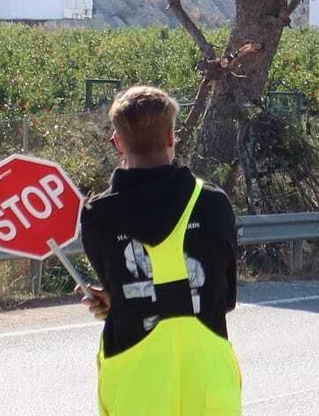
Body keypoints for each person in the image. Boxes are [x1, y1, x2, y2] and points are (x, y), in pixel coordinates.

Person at [79, 85, 241, 416]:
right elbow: (222, 299)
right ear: (171, 137)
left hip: (136, 387)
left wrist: (116, 300)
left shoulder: (98, 216)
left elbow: (120, 286)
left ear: (118, 143)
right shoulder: (213, 204)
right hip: (208, 384)